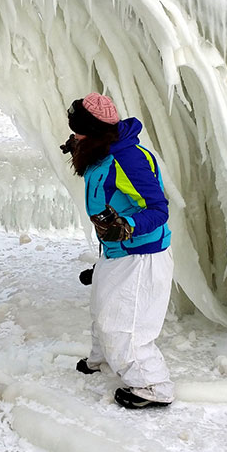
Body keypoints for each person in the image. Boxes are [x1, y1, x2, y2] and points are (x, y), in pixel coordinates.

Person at [62, 93, 174, 409]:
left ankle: (153, 386)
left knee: (124, 327)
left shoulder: (128, 159)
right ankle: (102, 360)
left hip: (141, 254)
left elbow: (159, 209)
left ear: (95, 132)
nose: (74, 136)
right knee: (100, 311)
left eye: (79, 131)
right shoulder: (101, 150)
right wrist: (79, 147)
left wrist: (127, 225)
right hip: (116, 250)